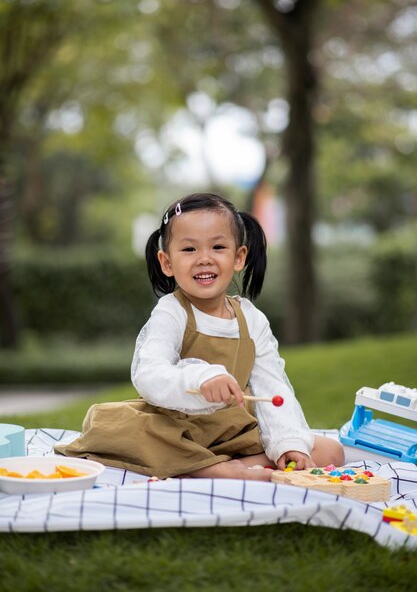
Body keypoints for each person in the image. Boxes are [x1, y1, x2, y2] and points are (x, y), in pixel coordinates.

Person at [55, 192, 344, 481]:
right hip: (175, 429)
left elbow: (272, 387)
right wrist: (200, 379)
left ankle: (232, 465)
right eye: (189, 250)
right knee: (111, 425)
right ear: (166, 262)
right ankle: (215, 468)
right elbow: (149, 374)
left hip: (232, 432)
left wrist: (288, 445)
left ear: (239, 257)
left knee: (329, 451)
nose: (204, 259)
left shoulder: (251, 319)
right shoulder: (172, 311)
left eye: (218, 247)